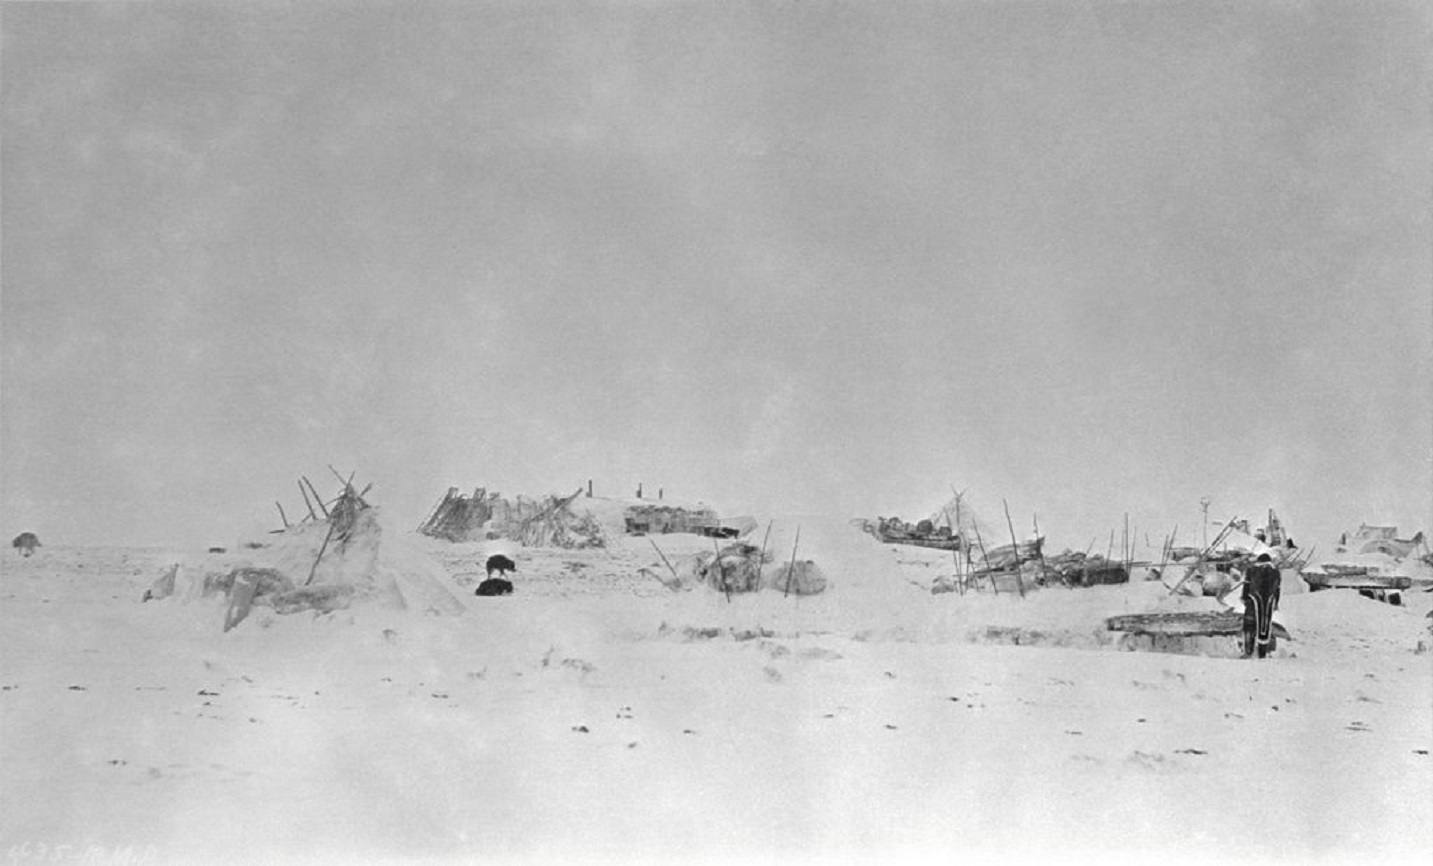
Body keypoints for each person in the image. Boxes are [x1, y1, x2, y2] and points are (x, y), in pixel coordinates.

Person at [1241, 552, 1282, 658]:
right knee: (1265, 625)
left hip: (1252, 601)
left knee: (1249, 625)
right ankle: (1262, 652)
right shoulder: (1276, 572)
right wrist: (1275, 602)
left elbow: (1247, 585)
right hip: (1268, 602)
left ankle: (1248, 651)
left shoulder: (1251, 570)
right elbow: (1277, 589)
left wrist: (1245, 598)